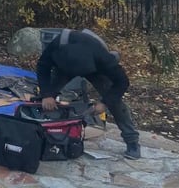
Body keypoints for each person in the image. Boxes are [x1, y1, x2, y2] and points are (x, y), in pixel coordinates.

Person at [36, 28, 141, 159]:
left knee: (115, 103)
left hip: (94, 70)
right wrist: (47, 94)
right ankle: (41, 134)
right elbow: (42, 66)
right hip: (64, 68)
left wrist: (105, 102)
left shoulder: (102, 58)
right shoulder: (57, 46)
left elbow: (122, 82)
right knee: (46, 99)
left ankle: (132, 141)